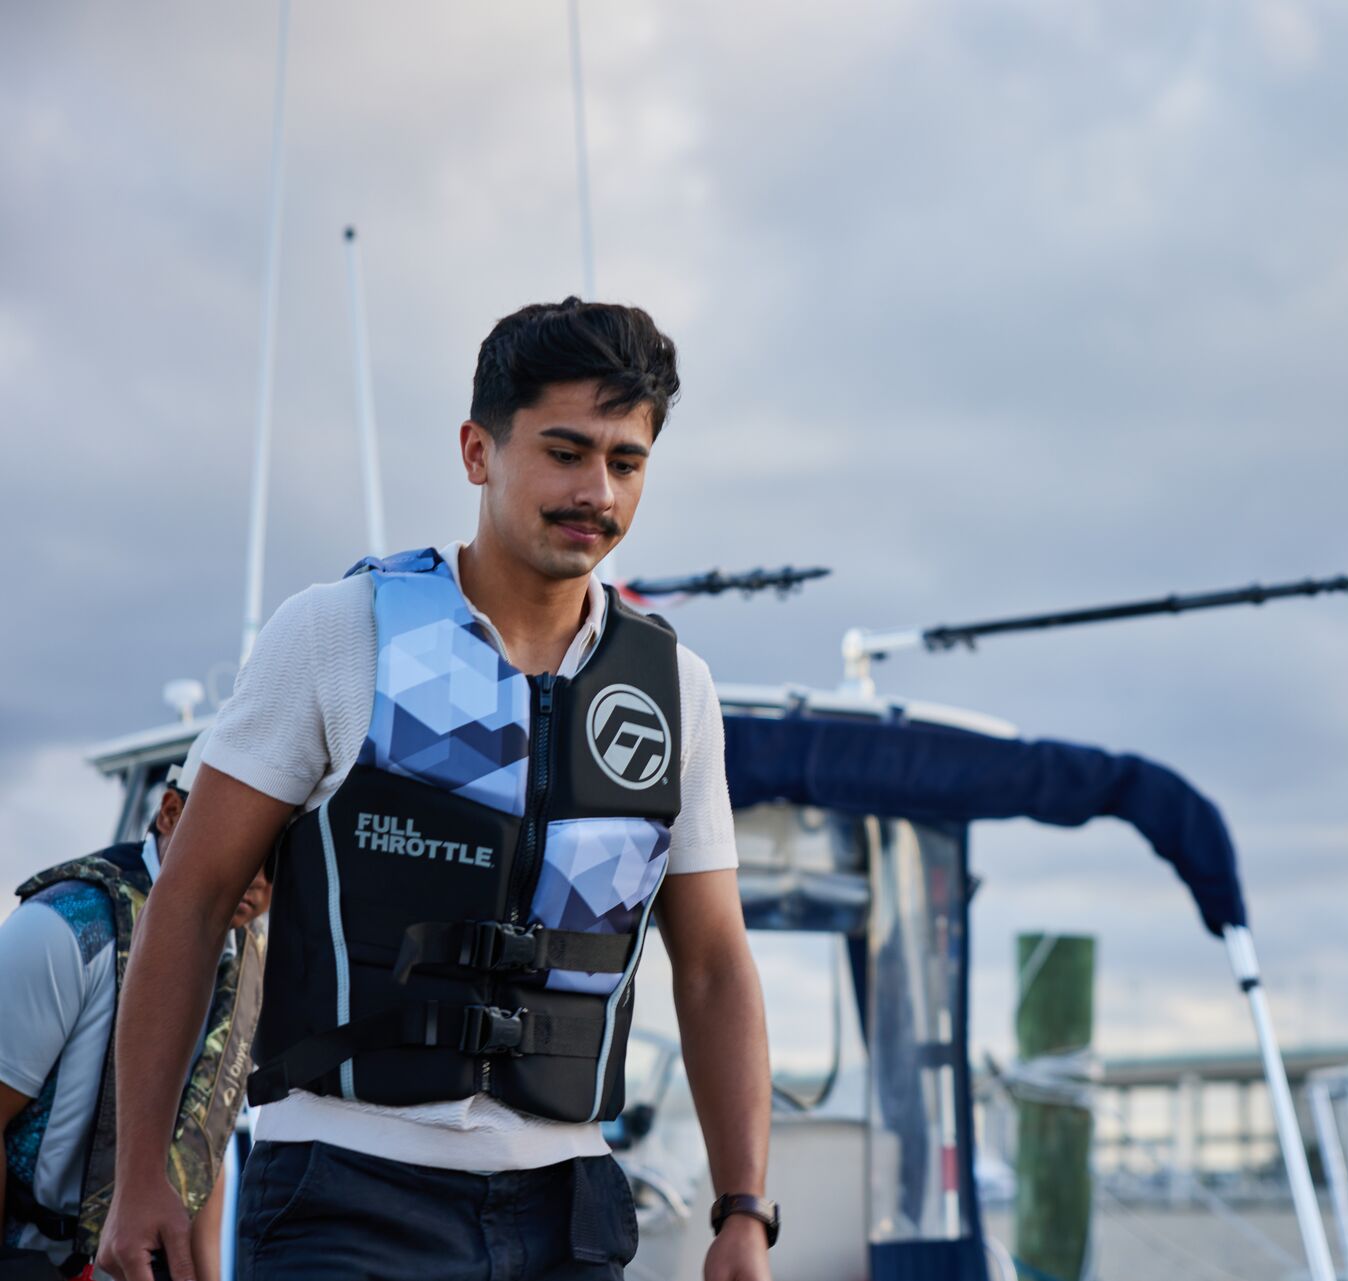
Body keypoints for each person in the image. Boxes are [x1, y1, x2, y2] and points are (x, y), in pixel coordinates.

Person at [96, 298, 777, 1281]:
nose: (597, 491)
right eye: (565, 451)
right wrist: (143, 1174)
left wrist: (743, 1210)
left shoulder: (679, 691)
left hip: (573, 1213)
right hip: (344, 1199)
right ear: (477, 451)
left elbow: (713, 965)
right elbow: (192, 900)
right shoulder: (336, 633)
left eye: (625, 462)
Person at [1, 737, 270, 1281]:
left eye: (277, 855)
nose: (257, 875)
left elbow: (203, 1137)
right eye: (241, 841)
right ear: (170, 812)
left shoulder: (248, 954)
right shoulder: (68, 925)